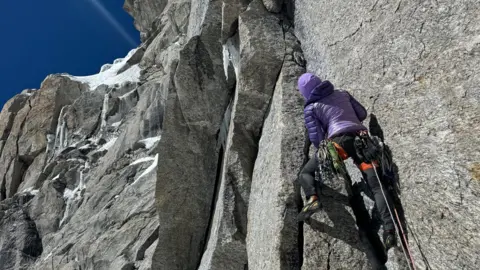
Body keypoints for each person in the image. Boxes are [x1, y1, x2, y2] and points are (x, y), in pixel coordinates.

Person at [296, 72, 397, 250]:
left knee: (305, 172)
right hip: (362, 141)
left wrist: (327, 150)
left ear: (305, 92)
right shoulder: (342, 93)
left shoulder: (311, 108)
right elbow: (362, 113)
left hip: (338, 145)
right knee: (376, 185)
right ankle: (389, 232)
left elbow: (317, 138)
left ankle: (313, 198)